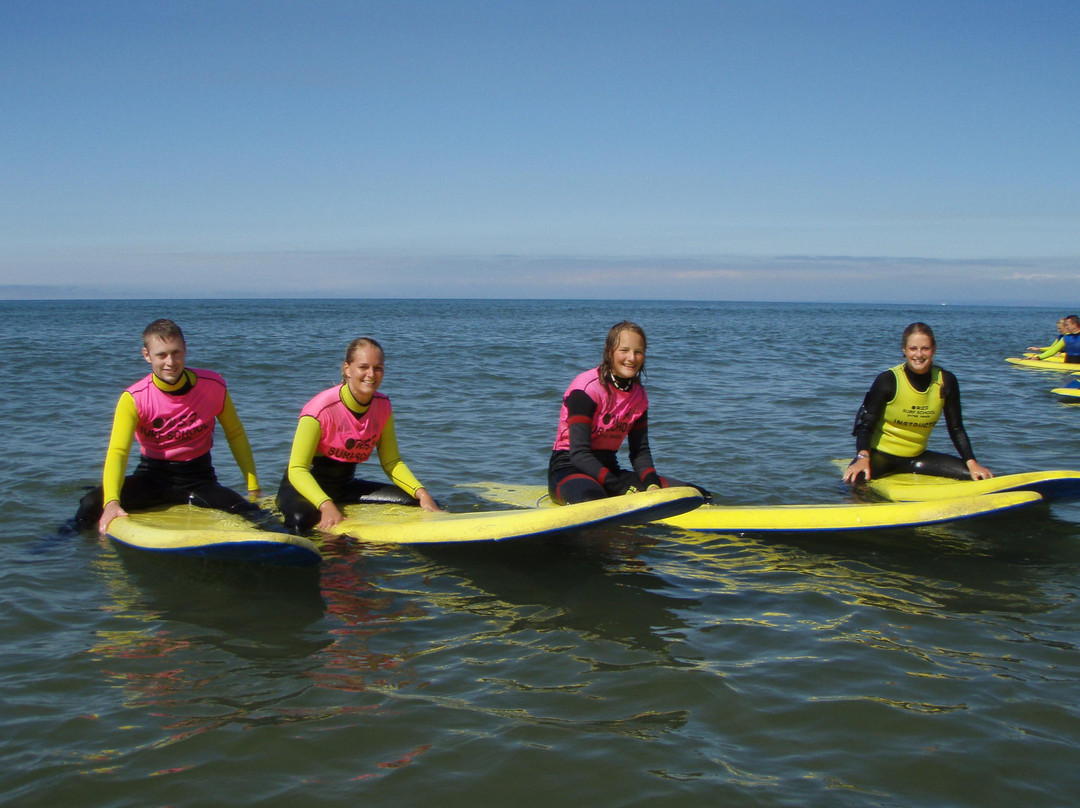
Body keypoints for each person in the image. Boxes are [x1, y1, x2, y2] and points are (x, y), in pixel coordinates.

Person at [76, 319, 262, 534]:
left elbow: (235, 434)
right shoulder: (134, 398)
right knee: (89, 504)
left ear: (185, 350)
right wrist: (112, 502)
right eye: (161, 355)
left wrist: (253, 486)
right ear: (147, 355)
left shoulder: (213, 385)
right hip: (152, 478)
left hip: (199, 479)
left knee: (249, 512)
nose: (170, 362)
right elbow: (118, 452)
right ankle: (56, 546)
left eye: (176, 353)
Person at [276, 337, 439, 532]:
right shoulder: (320, 410)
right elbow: (297, 468)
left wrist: (421, 493)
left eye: (378, 368)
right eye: (363, 367)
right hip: (301, 489)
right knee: (300, 520)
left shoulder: (382, 405)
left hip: (344, 486)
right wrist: (326, 505)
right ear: (347, 369)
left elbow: (392, 462)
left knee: (419, 503)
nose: (371, 374)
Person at [548, 320, 709, 505]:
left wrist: (652, 485)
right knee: (592, 501)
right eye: (624, 350)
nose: (631, 358)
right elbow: (579, 454)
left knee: (695, 495)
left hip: (610, 471)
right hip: (569, 468)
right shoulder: (586, 390)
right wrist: (620, 489)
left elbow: (639, 451)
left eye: (638, 352)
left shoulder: (638, 396)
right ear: (610, 352)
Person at [842, 322, 993, 484]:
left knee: (977, 477)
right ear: (904, 350)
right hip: (881, 456)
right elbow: (866, 426)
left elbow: (956, 428)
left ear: (933, 349)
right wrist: (863, 458)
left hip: (918, 457)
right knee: (854, 481)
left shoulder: (946, 381)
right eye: (913, 348)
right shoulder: (888, 380)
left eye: (925, 348)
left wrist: (972, 462)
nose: (919, 354)